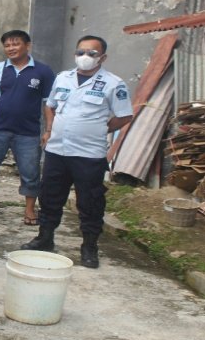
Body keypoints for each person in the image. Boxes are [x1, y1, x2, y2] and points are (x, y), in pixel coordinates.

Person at [20, 35, 133, 269]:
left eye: (91, 53)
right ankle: (45, 237)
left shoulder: (113, 83)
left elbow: (124, 116)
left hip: (89, 153)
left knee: (90, 201)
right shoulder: (63, 78)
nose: (85, 57)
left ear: (103, 57)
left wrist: (101, 128)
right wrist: (50, 129)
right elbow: (50, 105)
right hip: (57, 149)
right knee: (50, 196)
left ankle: (89, 246)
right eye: (81, 52)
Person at [0, 30, 55, 225]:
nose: (11, 48)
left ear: (27, 45)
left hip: (28, 133)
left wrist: (48, 130)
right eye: (7, 45)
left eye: (15, 44)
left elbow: (48, 103)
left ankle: (30, 210)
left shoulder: (43, 71)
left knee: (30, 172)